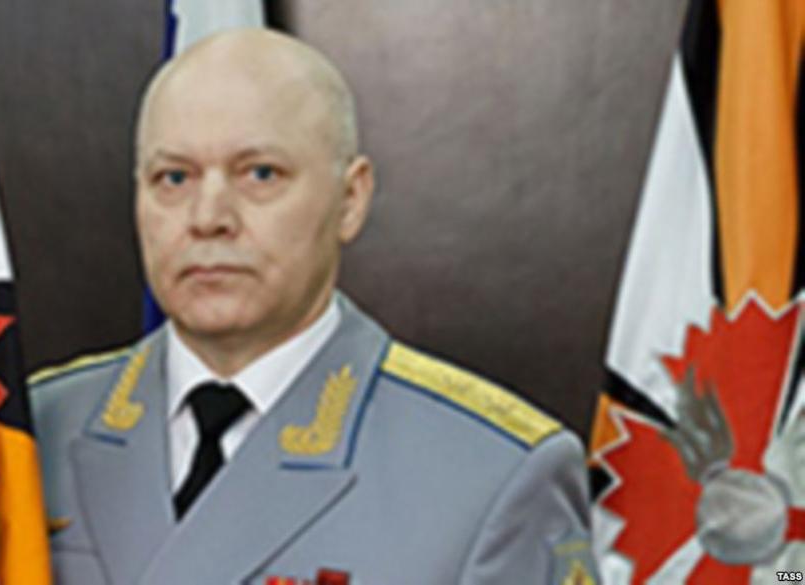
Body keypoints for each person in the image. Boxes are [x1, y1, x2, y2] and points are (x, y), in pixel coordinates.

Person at [30, 28, 598, 585]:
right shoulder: (28, 432)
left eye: (260, 174)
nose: (207, 217)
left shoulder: (491, 475)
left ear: (350, 200)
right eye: (173, 177)